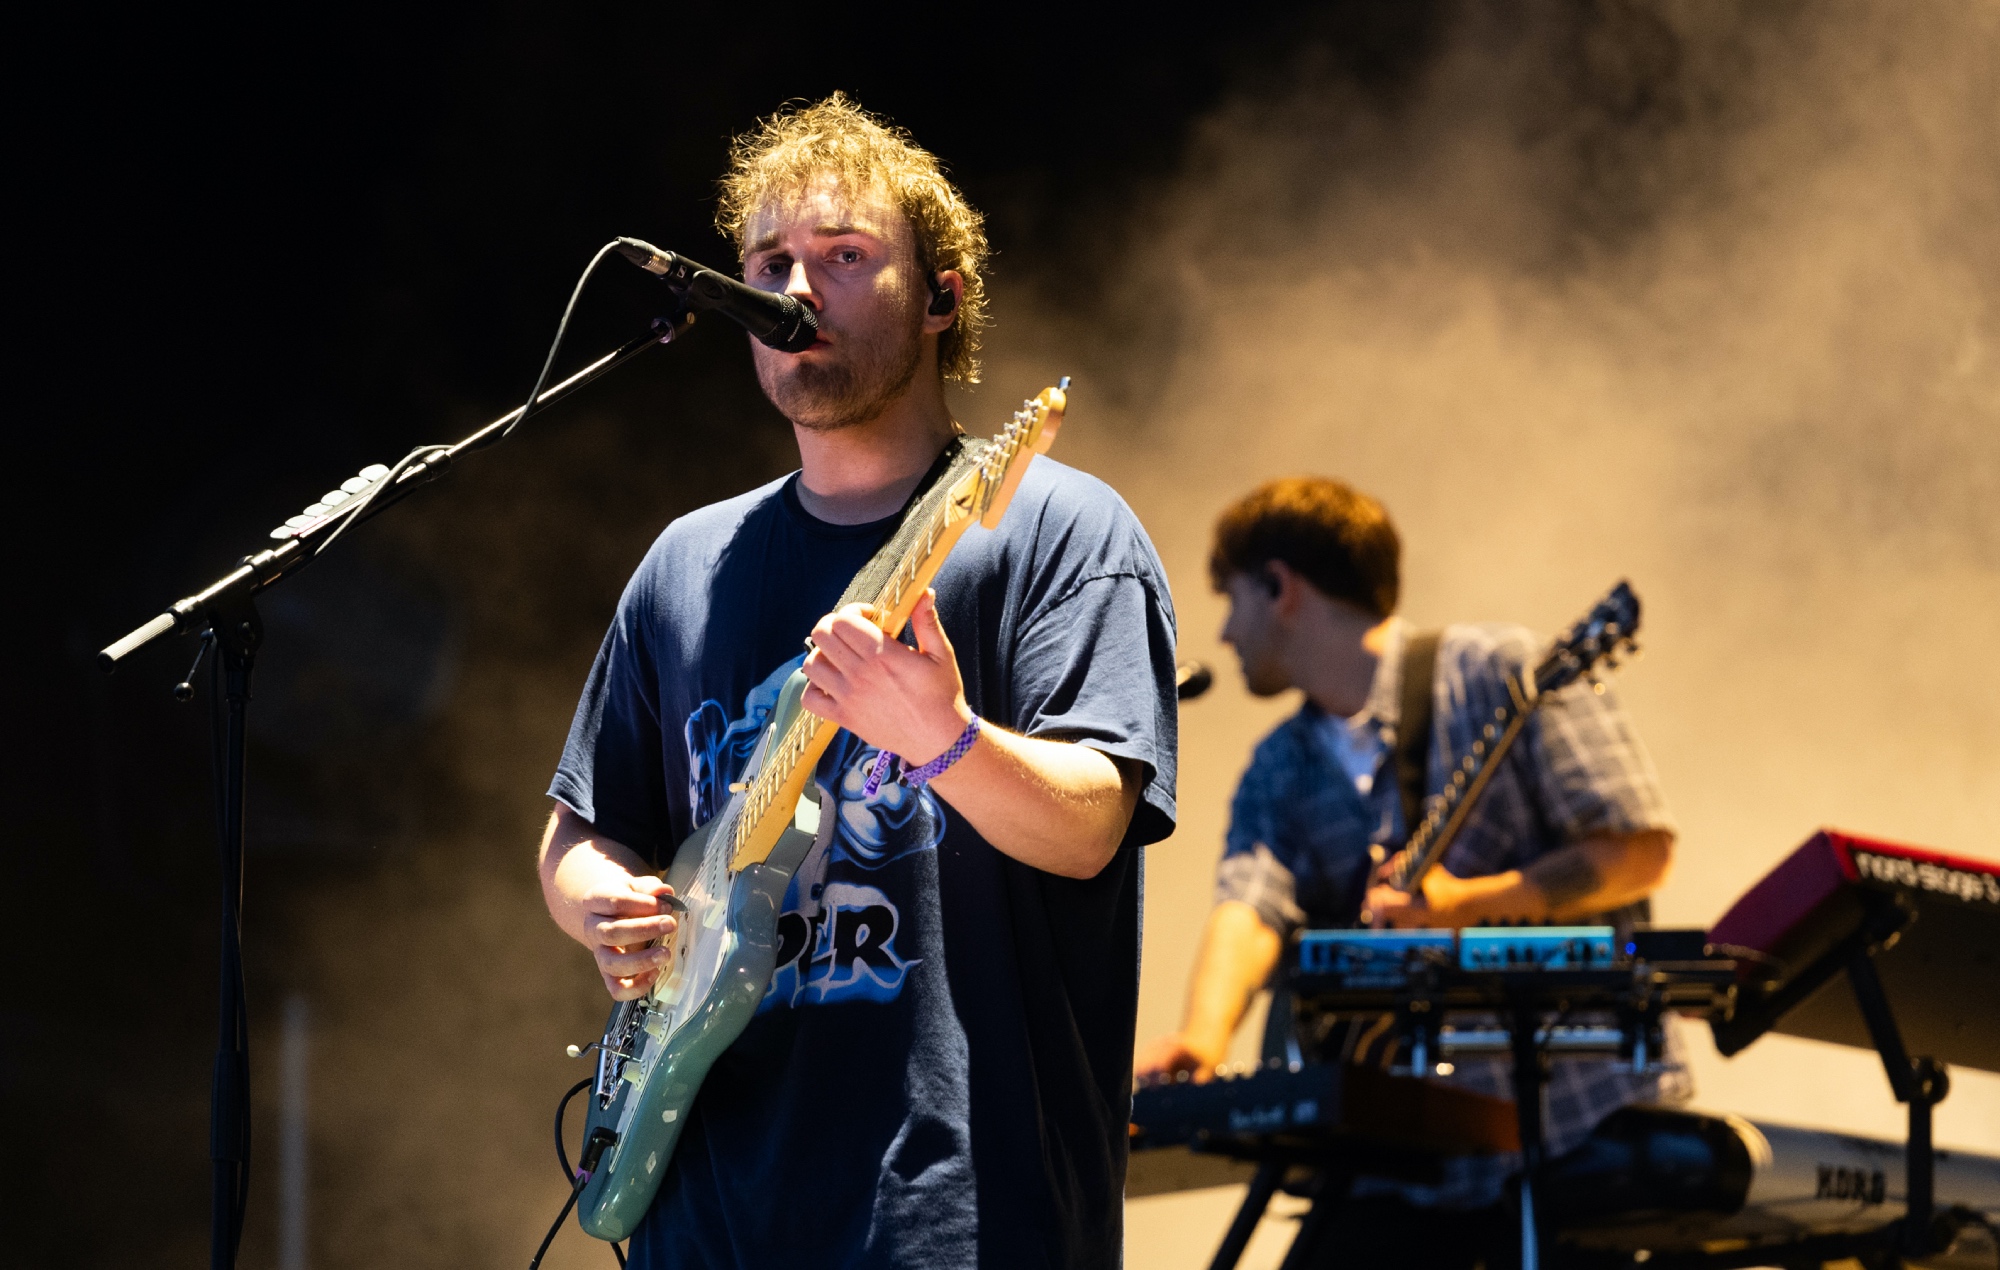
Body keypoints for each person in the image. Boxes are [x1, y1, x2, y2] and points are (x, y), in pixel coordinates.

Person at [537, 95, 1178, 1269]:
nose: (796, 288)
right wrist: (602, 904)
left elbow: (1094, 824)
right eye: (769, 261)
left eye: (842, 256)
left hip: (957, 1216)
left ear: (940, 297)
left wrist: (941, 739)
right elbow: (583, 828)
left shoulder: (1057, 528)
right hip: (708, 1216)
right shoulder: (685, 564)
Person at [1135, 476, 1687, 1268]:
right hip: (1402, 1153)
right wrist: (1204, 1035)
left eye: (1231, 599)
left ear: (1280, 586)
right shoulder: (1278, 766)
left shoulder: (1502, 672)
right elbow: (1251, 904)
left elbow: (1640, 848)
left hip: (1569, 1123)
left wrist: (1475, 902)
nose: (1224, 633)